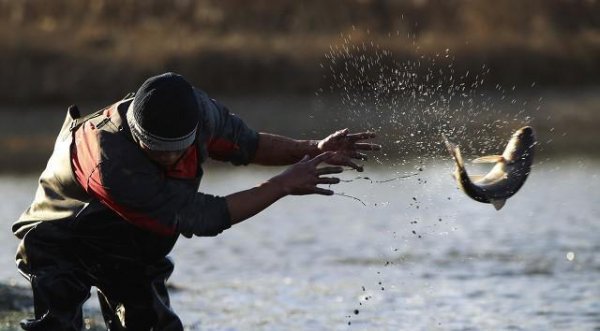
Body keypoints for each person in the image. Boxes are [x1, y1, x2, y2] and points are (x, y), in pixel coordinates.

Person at [13, 72, 380, 330]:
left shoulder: (199, 111)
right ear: (137, 135)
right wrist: (282, 185)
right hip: (60, 234)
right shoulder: (111, 164)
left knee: (155, 324)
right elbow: (204, 217)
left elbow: (248, 145)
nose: (168, 160)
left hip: (129, 241)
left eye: (177, 151)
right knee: (58, 324)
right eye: (155, 151)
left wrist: (310, 149)